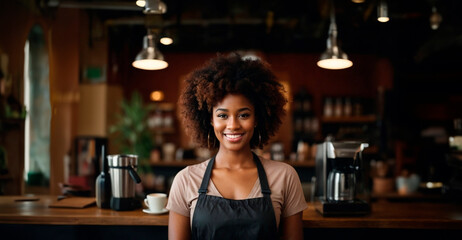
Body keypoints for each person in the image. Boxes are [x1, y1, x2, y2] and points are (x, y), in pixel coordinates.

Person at [166, 53, 307, 240]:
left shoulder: (285, 177)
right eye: (223, 115)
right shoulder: (186, 180)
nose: (233, 125)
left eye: (244, 115)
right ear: (210, 120)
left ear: (257, 118)